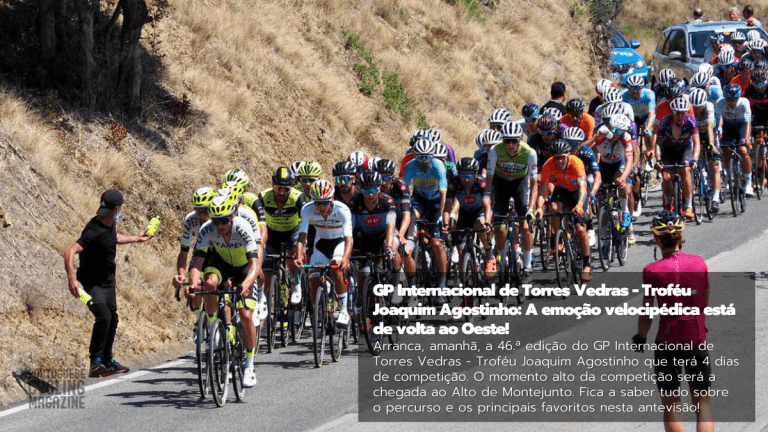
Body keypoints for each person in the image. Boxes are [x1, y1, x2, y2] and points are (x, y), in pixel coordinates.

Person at [633, 211, 713, 432]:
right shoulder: (699, 263)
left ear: (656, 238)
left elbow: (647, 312)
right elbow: (704, 301)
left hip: (667, 341)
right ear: (680, 237)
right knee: (702, 402)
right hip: (696, 338)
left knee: (671, 403)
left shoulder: (651, 270)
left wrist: (641, 337)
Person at [64, 190, 153, 378]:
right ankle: (95, 361)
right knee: (103, 316)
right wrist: (72, 279)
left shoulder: (111, 221)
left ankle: (107, 360)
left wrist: (136, 238)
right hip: (87, 285)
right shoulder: (93, 229)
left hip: (107, 282)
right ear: (117, 208)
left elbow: (113, 237)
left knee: (112, 318)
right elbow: (69, 252)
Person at [186, 194, 263, 388]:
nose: (220, 226)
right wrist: (194, 284)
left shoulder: (243, 227)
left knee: (246, 315)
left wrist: (245, 285)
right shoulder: (207, 229)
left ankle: (249, 365)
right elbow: (197, 261)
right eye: (216, 221)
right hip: (221, 265)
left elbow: (255, 263)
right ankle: (213, 329)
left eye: (224, 221)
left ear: (234, 215)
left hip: (244, 269)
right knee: (209, 283)